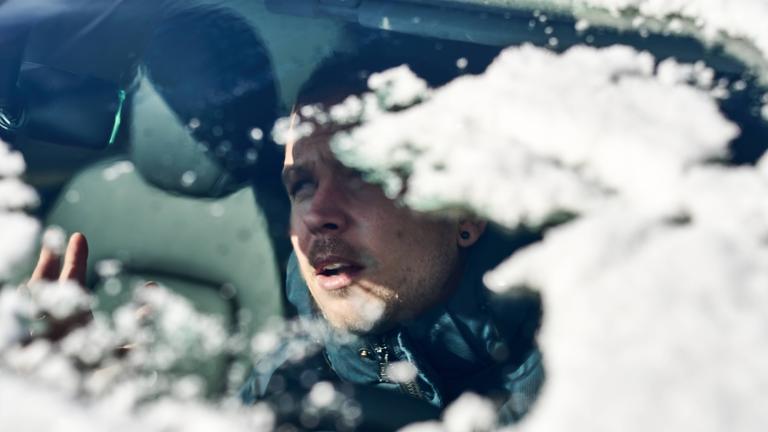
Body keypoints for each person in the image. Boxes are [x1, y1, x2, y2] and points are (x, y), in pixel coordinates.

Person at [240, 49, 545, 428]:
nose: (317, 214)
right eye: (302, 185)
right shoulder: (289, 376)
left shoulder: (581, 375)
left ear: (464, 211)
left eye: (361, 173)